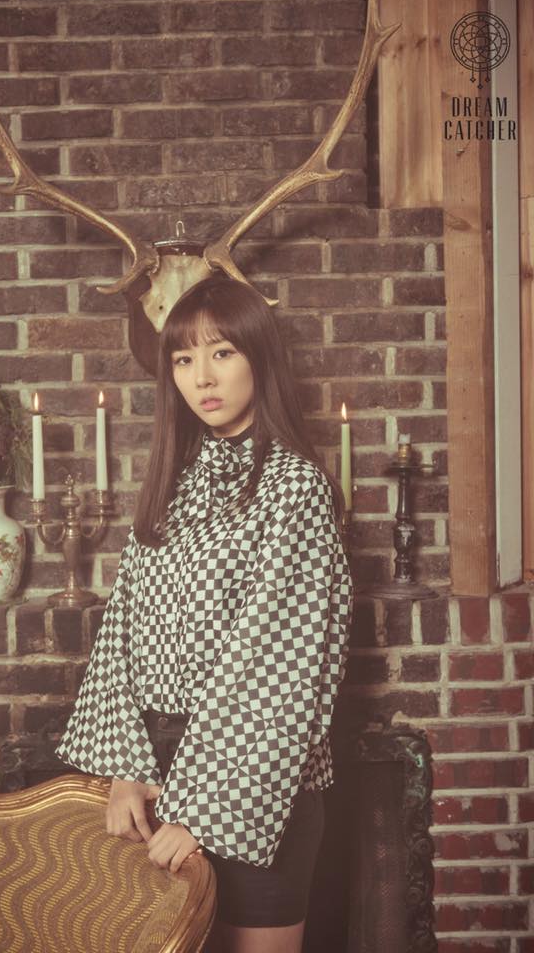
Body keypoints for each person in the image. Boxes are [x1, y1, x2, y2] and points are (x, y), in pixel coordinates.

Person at [56, 275, 353, 953]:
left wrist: (203, 811)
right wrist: (127, 769)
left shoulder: (295, 487)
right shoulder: (172, 483)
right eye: (184, 359)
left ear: (258, 356)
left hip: (258, 775)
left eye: (221, 352)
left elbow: (280, 664)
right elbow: (123, 627)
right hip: (155, 768)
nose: (202, 377)